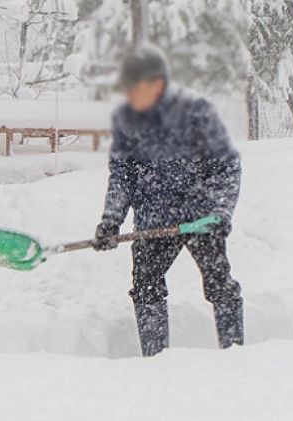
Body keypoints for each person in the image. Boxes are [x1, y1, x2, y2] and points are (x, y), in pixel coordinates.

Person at [93, 44, 244, 357]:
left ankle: (235, 353)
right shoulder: (127, 121)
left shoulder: (196, 113)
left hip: (202, 217)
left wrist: (220, 212)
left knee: (219, 283)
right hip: (154, 219)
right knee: (145, 284)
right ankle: (156, 358)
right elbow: (122, 177)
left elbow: (227, 166)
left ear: (158, 84)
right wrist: (111, 220)